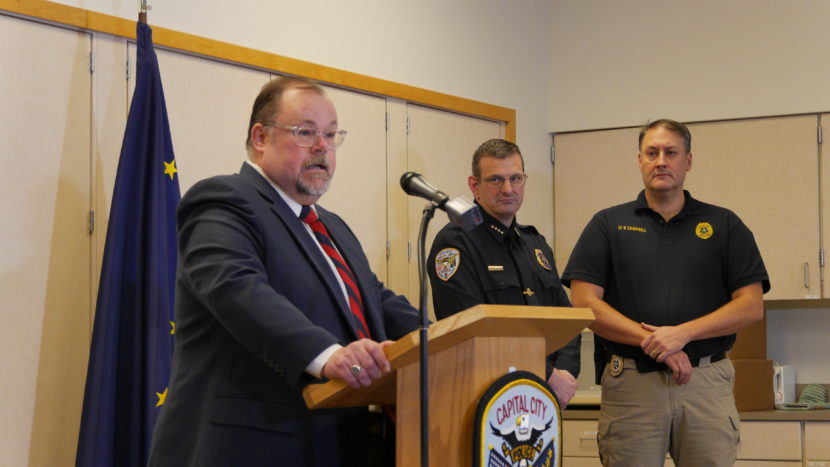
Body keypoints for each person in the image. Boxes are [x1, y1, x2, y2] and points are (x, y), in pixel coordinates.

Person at [148, 76, 420, 466]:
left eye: (330, 135)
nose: (322, 148)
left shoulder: (331, 226)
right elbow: (237, 290)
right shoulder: (223, 201)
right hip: (249, 447)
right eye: (306, 132)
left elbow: (375, 300)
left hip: (335, 442)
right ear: (261, 137)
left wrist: (446, 342)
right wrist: (327, 355)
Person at [561, 119, 770, 467]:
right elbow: (584, 303)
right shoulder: (607, 225)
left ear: (687, 160)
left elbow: (751, 306)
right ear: (639, 160)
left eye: (671, 152)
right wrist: (658, 345)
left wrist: (682, 335)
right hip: (632, 386)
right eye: (652, 152)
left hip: (706, 383)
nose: (661, 161)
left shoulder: (725, 225)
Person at [427, 138, 580, 407]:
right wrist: (548, 375)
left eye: (516, 178)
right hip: (487, 396)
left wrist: (564, 373)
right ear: (475, 186)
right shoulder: (456, 243)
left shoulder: (535, 243)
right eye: (495, 180)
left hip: (544, 397)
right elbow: (473, 329)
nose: (508, 189)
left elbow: (566, 319)